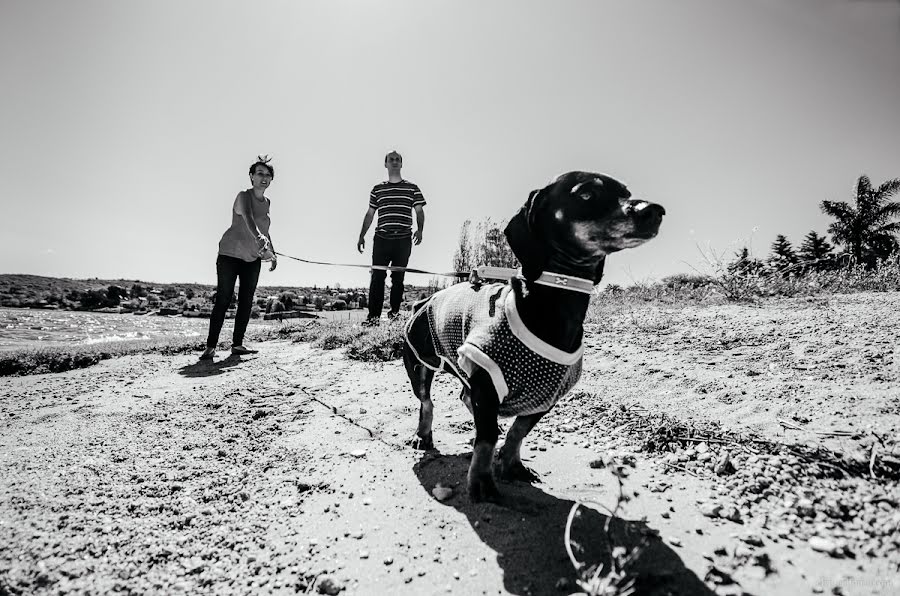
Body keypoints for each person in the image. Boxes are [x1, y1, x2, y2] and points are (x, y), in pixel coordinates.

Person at [199, 156, 278, 360]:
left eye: (268, 175)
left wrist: (274, 252)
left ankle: (238, 344)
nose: (264, 178)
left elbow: (265, 229)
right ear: (251, 176)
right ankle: (210, 347)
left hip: (252, 258)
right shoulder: (243, 196)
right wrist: (259, 237)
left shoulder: (267, 202)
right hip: (229, 255)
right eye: (260, 173)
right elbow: (249, 219)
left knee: (246, 301)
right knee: (224, 299)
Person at [357, 150, 426, 323]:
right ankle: (373, 317)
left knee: (398, 278)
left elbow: (419, 210)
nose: (394, 162)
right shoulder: (377, 189)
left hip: (403, 240)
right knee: (377, 277)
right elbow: (370, 214)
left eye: (397, 159)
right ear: (386, 164)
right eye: (391, 159)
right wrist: (361, 236)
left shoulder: (412, 188)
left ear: (401, 164)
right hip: (381, 239)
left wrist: (420, 230)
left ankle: (394, 314)